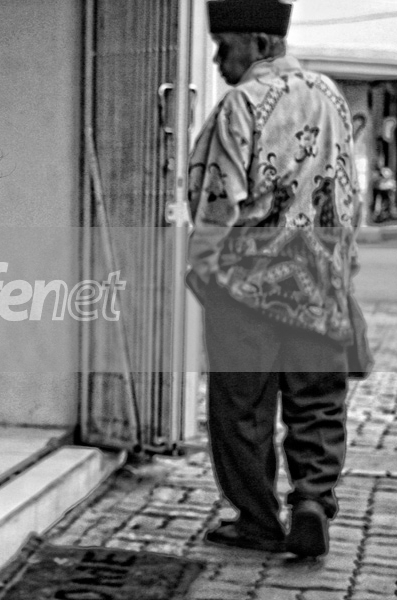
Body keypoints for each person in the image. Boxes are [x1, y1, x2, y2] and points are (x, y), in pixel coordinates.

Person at [187, 0, 361, 558]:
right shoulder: (331, 95)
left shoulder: (241, 103)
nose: (218, 61)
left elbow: (219, 195)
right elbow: (347, 191)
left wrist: (202, 265)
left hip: (248, 283)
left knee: (242, 408)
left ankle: (258, 520)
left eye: (225, 48)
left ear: (261, 43)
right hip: (320, 276)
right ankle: (312, 500)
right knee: (318, 401)